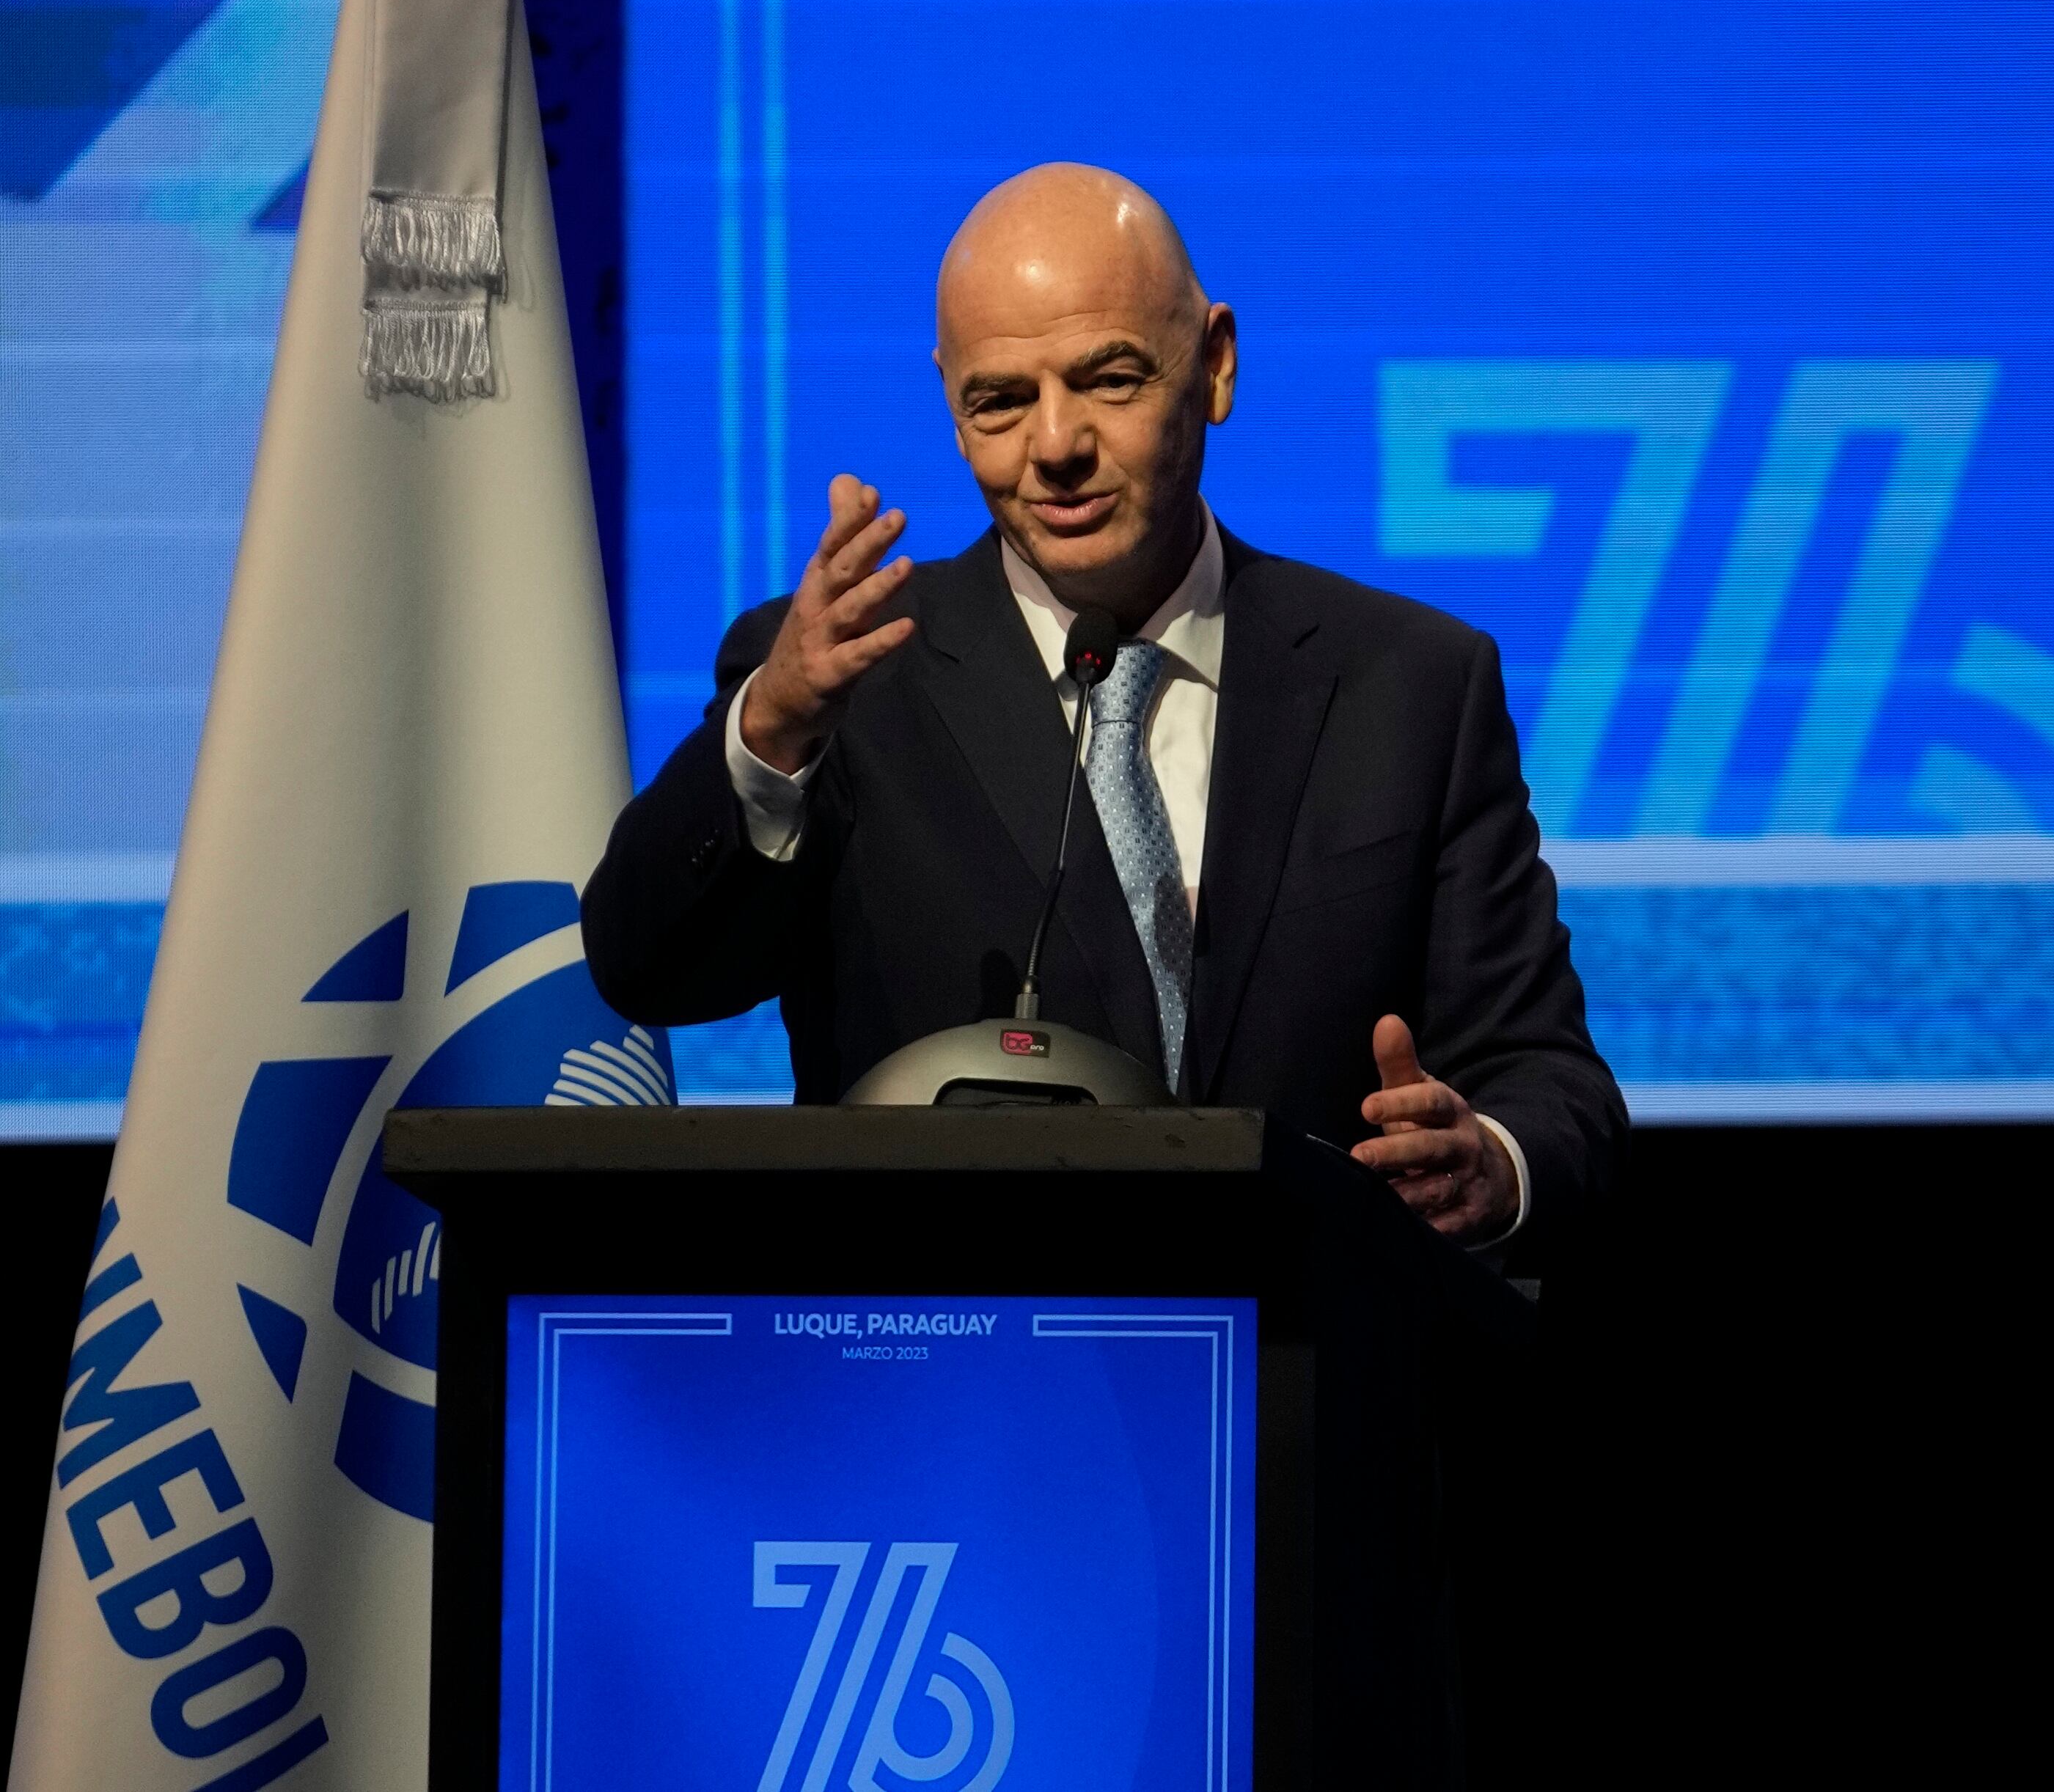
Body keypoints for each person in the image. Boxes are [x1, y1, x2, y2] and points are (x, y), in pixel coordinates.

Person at [583, 163, 1622, 1259]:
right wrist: (771, 736)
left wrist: (1489, 1163)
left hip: (1304, 1380)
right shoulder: (841, 682)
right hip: (952, 1375)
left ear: (1215, 365)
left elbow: (1551, 1082)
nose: (1055, 446)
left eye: (1109, 380)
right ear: (949, 398)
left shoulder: (1411, 683)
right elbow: (652, 972)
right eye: (999, 401)